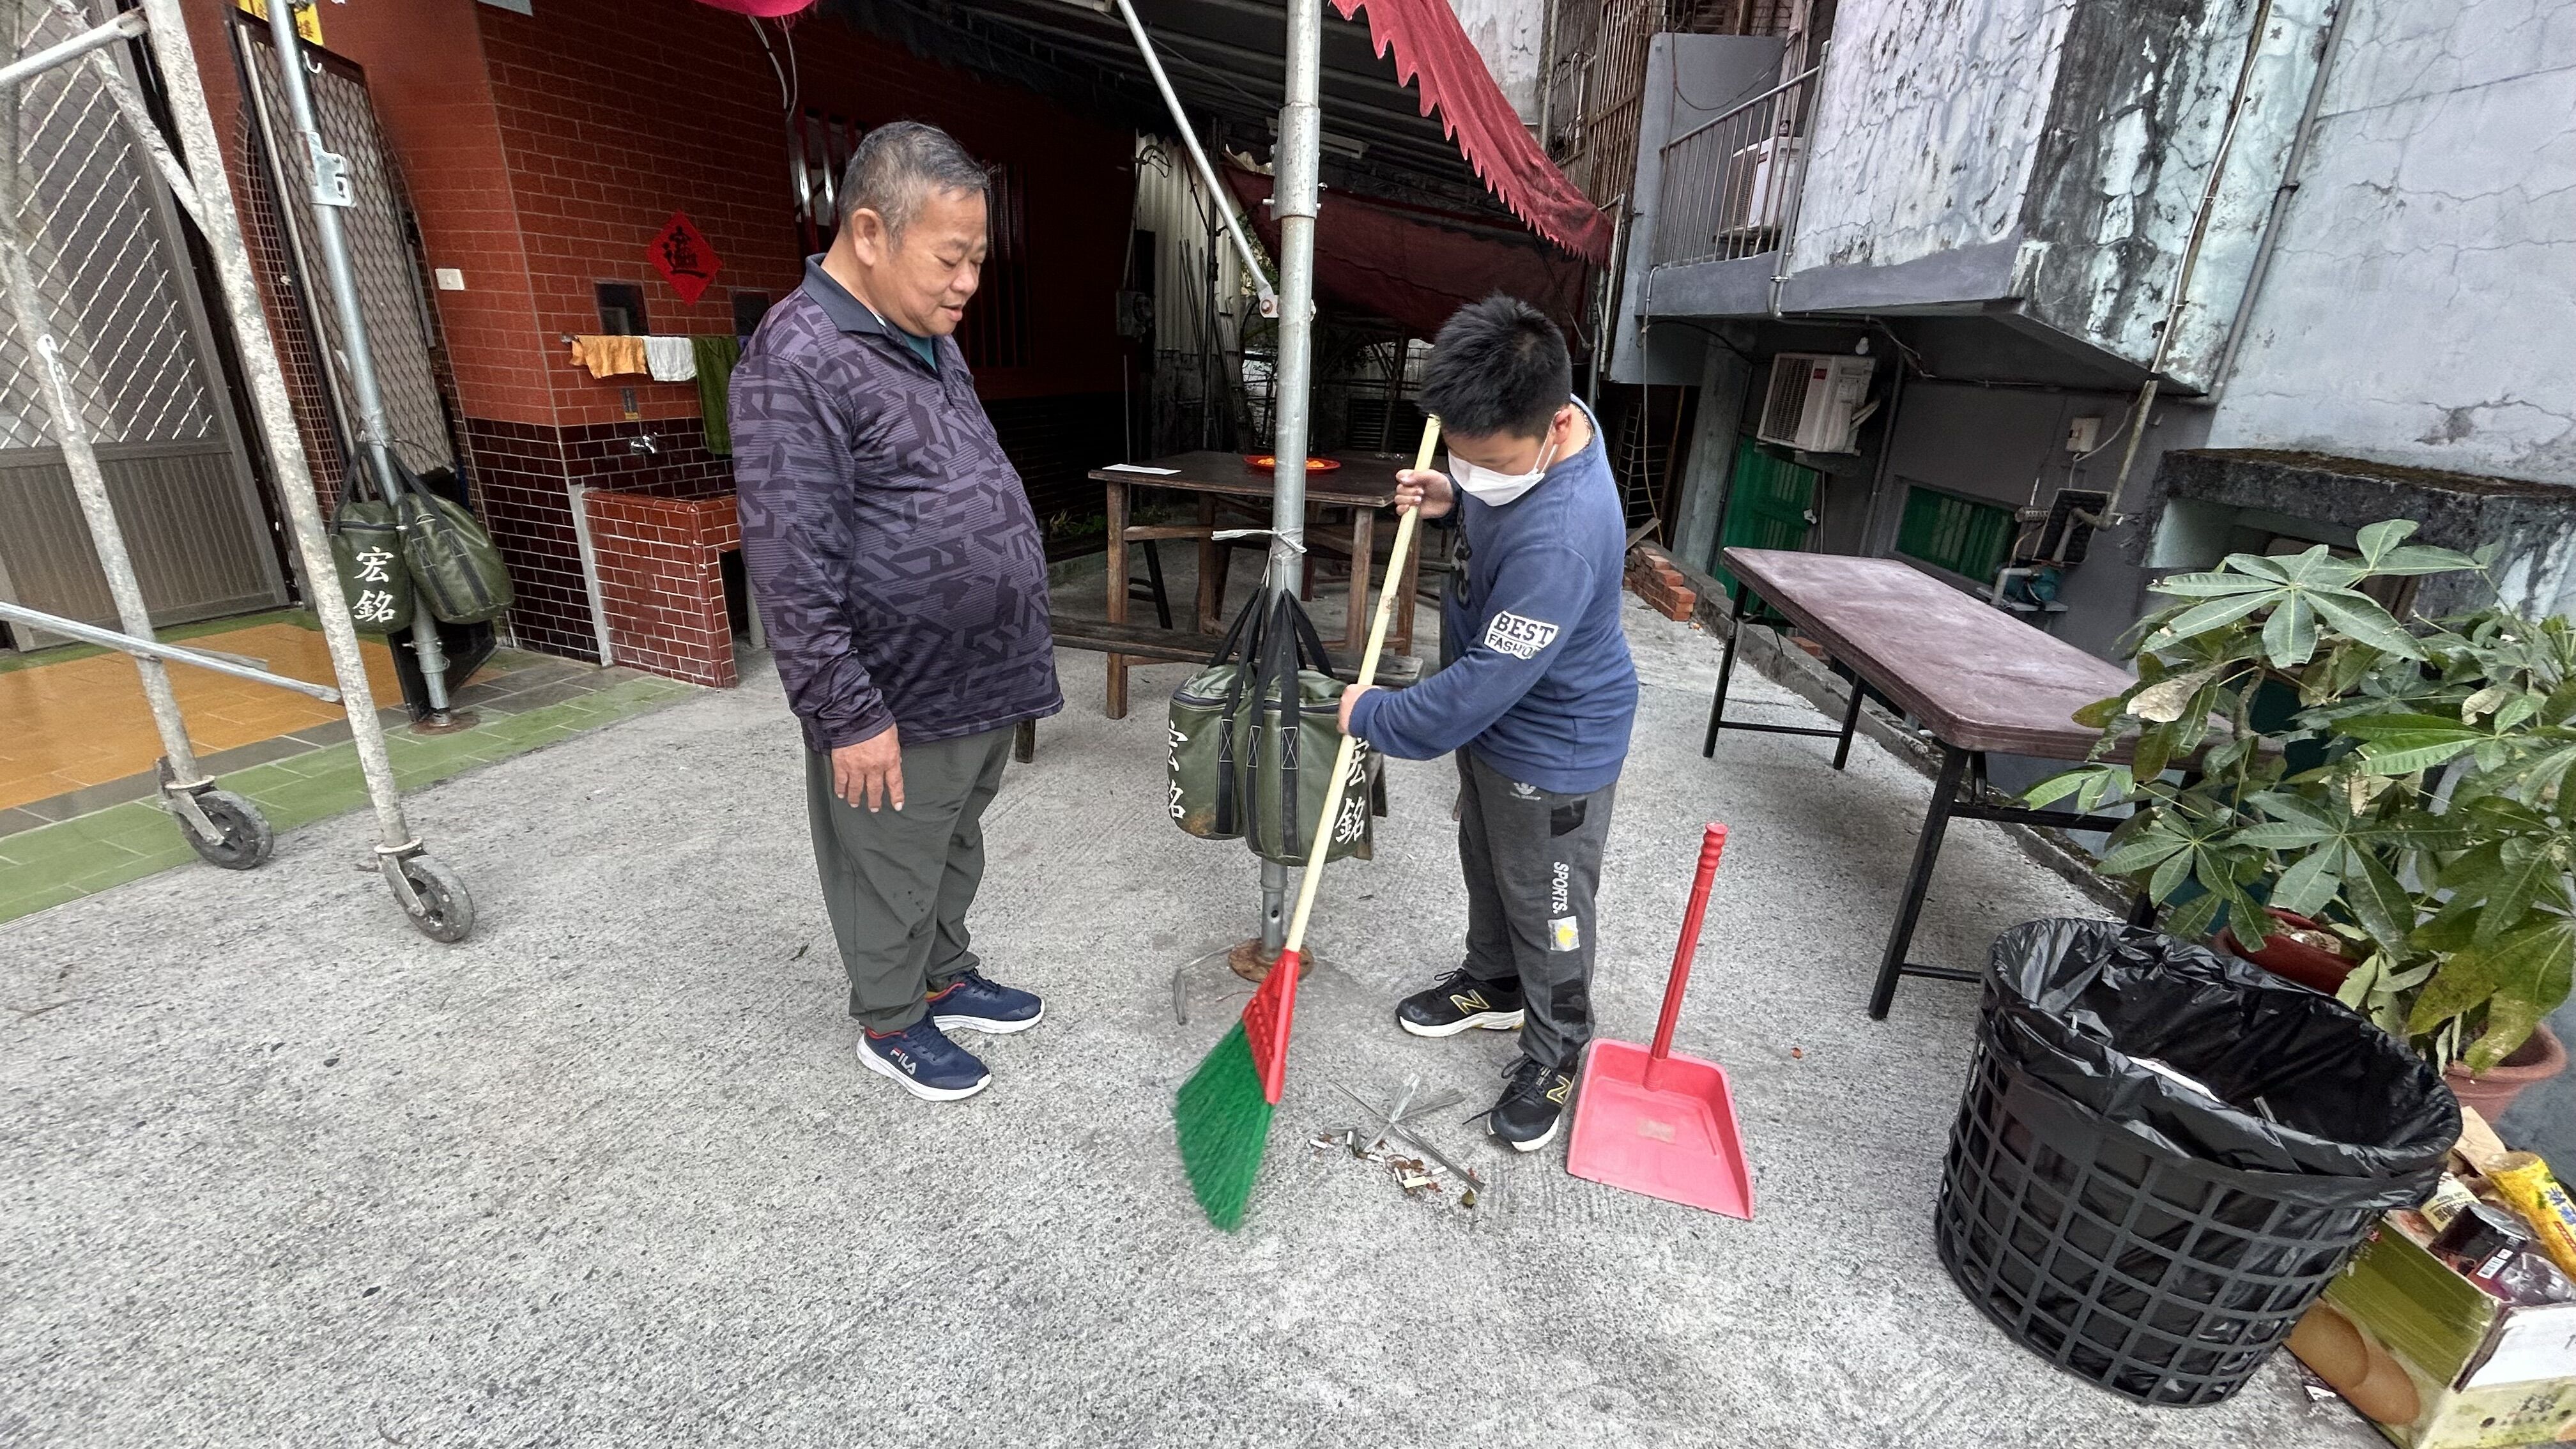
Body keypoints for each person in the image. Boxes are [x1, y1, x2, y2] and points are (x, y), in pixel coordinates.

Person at [734, 121, 1061, 1104]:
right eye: (951, 258)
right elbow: (790, 561)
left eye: (975, 259)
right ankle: (890, 1017)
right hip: (896, 688)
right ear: (870, 233)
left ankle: (944, 974)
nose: (967, 282)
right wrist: (848, 711)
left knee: (954, 838)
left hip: (978, 678)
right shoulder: (798, 356)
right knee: (888, 858)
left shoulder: (924, 339)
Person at [1337, 295, 1639, 1151]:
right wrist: (1453, 495)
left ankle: (1555, 1050)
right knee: (1489, 862)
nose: (1476, 472)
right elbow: (1495, 485)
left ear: (1546, 432)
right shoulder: (1548, 421)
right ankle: (1495, 984)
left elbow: (1470, 693)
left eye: (1488, 463)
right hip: (1502, 731)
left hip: (1556, 743)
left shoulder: (1565, 537)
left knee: (1549, 903)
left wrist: (1375, 715)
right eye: (1459, 457)